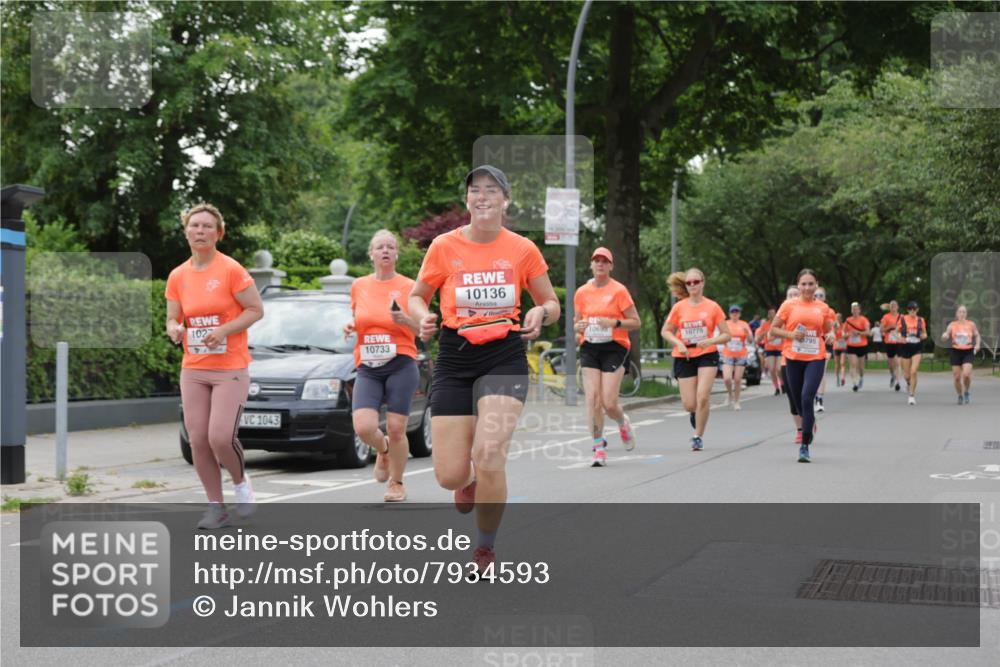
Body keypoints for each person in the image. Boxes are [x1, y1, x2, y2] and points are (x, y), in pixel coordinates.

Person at [408, 165, 560, 573]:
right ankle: (469, 481)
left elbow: (551, 302)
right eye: (475, 190)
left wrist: (541, 313)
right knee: (448, 475)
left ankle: (485, 548)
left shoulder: (522, 249)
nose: (483, 196)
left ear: (506, 201)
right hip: (456, 356)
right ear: (467, 200)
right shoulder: (443, 246)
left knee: (489, 452)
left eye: (492, 190)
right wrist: (422, 316)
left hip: (504, 355)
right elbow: (417, 296)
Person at [166, 203, 264, 529]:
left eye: (208, 226)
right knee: (197, 439)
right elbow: (172, 318)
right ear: (186, 232)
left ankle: (240, 485)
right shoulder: (178, 275)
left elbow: (255, 309)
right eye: (195, 226)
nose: (201, 231)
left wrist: (223, 330)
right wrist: (175, 329)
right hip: (193, 367)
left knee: (220, 437)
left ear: (218, 233)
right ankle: (216, 506)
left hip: (230, 366)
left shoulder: (231, 269)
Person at [343, 230, 421, 502]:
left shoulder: (411, 286)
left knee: (398, 427)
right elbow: (361, 318)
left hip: (401, 361)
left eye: (391, 246)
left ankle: (397, 483)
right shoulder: (359, 285)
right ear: (371, 254)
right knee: (364, 427)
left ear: (397, 253)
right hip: (368, 364)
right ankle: (384, 449)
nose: (385, 250)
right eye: (380, 247)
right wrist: (352, 325)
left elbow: (423, 329)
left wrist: (405, 321)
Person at [573, 247, 641, 466]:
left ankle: (622, 421)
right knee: (592, 399)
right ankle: (598, 446)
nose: (600, 264)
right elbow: (576, 326)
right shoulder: (582, 292)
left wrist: (614, 323)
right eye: (596, 261)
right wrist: (579, 328)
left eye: (604, 261)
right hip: (590, 347)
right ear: (591, 265)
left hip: (615, 347)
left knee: (608, 403)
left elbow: (636, 322)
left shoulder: (619, 291)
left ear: (611, 266)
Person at [661, 268, 730, 451]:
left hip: (707, 354)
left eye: (696, 282)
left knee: (703, 396)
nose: (692, 285)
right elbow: (665, 331)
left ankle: (697, 436)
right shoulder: (679, 307)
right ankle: (695, 413)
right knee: (689, 404)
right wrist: (679, 343)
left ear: (702, 283)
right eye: (689, 283)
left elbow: (726, 335)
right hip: (684, 355)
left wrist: (710, 340)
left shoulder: (713, 307)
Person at [770, 269, 836, 463]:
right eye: (804, 284)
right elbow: (772, 331)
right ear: (798, 286)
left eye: (811, 284)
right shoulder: (788, 305)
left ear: (816, 285)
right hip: (793, 357)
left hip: (815, 357)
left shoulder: (823, 307)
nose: (807, 288)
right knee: (799, 402)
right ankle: (809, 422)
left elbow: (827, 331)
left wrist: (831, 336)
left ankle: (804, 445)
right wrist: (791, 335)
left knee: (807, 397)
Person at [941, 304, 981, 405]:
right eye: (960, 312)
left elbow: (977, 334)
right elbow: (946, 334)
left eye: (964, 312)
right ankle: (960, 395)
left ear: (966, 314)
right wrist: (944, 336)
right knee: (957, 377)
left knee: (966, 375)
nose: (962, 314)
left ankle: (966, 391)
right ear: (957, 314)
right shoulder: (952, 324)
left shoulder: (971, 324)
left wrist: (978, 344)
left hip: (968, 351)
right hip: (956, 351)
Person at [720, 304, 753, 410]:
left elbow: (750, 340)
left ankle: (737, 401)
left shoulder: (744, 324)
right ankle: (730, 394)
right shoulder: (725, 324)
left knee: (738, 380)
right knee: (727, 378)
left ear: (739, 314)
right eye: (732, 312)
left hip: (741, 355)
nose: (735, 314)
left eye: (737, 312)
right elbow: (721, 338)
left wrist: (747, 334)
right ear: (729, 314)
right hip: (728, 354)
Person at [898, 300, 928, 405]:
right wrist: (900, 338)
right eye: (910, 309)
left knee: (913, 371)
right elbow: (897, 332)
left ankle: (911, 395)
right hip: (905, 347)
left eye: (914, 309)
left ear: (917, 310)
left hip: (917, 347)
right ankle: (909, 383)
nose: (912, 311)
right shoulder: (902, 319)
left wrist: (921, 336)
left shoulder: (921, 320)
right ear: (907, 310)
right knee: (907, 375)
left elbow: (925, 334)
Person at [755, 307, 783, 395]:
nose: (772, 315)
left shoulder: (781, 324)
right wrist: (764, 333)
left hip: (780, 349)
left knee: (778, 369)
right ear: (768, 315)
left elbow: (784, 335)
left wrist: (775, 335)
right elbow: (758, 339)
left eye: (773, 313)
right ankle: (776, 387)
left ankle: (782, 383)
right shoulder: (765, 325)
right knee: (771, 369)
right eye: (770, 313)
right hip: (769, 349)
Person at [844, 302, 871, 392]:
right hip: (851, 345)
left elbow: (868, 332)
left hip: (862, 345)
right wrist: (848, 334)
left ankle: (861, 377)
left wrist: (859, 333)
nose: (855, 311)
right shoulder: (848, 320)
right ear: (851, 311)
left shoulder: (864, 320)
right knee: (853, 364)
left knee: (861, 367)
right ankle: (854, 383)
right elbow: (843, 333)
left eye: (856, 309)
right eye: (853, 309)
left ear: (859, 310)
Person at [813, 287, 832, 412]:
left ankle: (819, 399)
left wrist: (832, 334)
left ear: (824, 298)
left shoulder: (829, 311)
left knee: (821, 371)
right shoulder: (807, 308)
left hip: (825, 344)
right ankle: (811, 396)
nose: (819, 297)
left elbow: (832, 328)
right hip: (810, 345)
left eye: (821, 295)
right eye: (816, 295)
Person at [880, 300, 904, 391]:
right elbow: (881, 330)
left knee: (898, 362)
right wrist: (890, 327)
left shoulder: (902, 317)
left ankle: (898, 382)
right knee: (890, 364)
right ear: (889, 307)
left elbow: (905, 329)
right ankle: (892, 375)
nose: (893, 306)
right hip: (889, 342)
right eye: (892, 305)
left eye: (895, 305)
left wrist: (900, 332)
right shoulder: (885, 317)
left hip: (898, 342)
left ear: (898, 307)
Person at [832, 312, 848, 387]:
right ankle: (837, 377)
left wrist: (845, 335)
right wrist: (835, 329)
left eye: (839, 318)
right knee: (837, 364)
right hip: (836, 347)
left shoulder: (845, 325)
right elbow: (832, 336)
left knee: (842, 363)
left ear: (841, 319)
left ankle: (843, 378)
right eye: (836, 318)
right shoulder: (834, 326)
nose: (838, 319)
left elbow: (847, 334)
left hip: (843, 346)